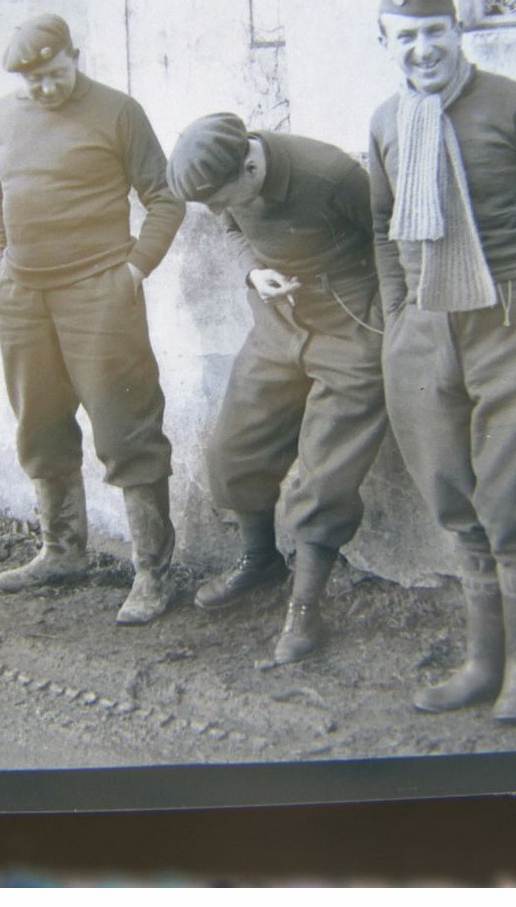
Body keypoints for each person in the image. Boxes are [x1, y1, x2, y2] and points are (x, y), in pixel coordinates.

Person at [368, 0, 516, 723]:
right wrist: (401, 313)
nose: (422, 49)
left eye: (435, 32)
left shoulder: (515, 107)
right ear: (387, 41)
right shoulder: (384, 122)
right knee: (457, 503)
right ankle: (481, 663)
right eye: (405, 36)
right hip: (427, 334)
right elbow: (380, 222)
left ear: (457, 31)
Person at [0, 13, 185, 625]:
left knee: (125, 428)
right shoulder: (1, 116)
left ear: (76, 54)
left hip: (99, 291)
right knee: (39, 424)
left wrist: (133, 270)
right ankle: (62, 550)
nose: (44, 88)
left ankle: (153, 570)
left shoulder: (119, 111)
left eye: (54, 73)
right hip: (22, 294)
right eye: (32, 80)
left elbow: (165, 198)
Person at [166, 113, 388, 663]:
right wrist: (252, 273)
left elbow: (390, 241)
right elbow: (233, 228)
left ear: (249, 165)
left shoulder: (331, 174)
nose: (219, 208)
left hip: (351, 320)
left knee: (325, 472)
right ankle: (260, 559)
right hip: (278, 317)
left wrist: (386, 323)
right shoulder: (226, 182)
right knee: (233, 451)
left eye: (223, 195)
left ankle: (305, 609)